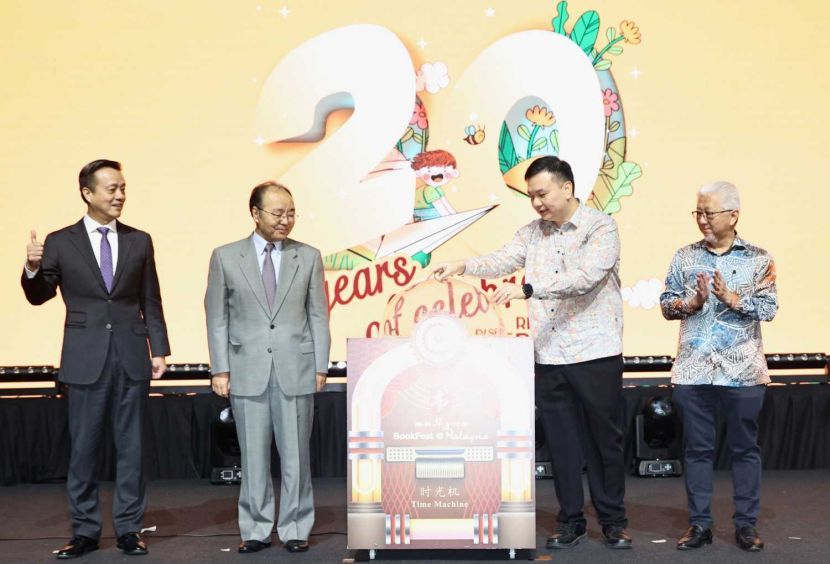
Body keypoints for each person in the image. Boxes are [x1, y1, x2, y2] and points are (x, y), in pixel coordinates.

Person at [431, 155, 631, 550]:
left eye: (542, 194)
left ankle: (612, 521)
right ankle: (571, 519)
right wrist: (463, 265)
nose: (537, 203)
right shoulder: (531, 233)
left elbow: (587, 277)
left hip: (595, 351)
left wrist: (529, 288)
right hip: (549, 354)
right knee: (561, 442)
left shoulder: (600, 227)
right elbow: (502, 258)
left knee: (604, 441)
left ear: (566, 188)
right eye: (531, 196)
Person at [21, 159, 170, 559]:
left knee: (132, 449)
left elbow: (150, 300)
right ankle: (85, 532)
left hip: (131, 354)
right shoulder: (60, 241)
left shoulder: (140, 240)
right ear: (88, 193)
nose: (120, 195)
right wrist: (33, 267)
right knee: (83, 449)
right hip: (84, 359)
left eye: (123, 187)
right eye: (111, 189)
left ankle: (129, 529)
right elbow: (39, 295)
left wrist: (160, 349)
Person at [204, 181, 330, 554]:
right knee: (254, 457)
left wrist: (320, 365)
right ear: (255, 214)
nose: (285, 220)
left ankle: (295, 527)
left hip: (297, 367)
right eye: (277, 213)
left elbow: (318, 315)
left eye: (291, 213)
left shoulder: (308, 256)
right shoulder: (226, 257)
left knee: (296, 456)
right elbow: (217, 317)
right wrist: (219, 369)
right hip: (246, 368)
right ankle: (256, 528)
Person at [660, 181, 777, 552]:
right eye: (698, 212)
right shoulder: (683, 257)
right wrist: (691, 303)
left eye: (709, 213)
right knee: (697, 450)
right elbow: (665, 304)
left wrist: (732, 298)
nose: (702, 220)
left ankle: (746, 526)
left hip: (743, 372)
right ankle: (699, 526)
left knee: (744, 449)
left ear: (733, 215)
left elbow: (770, 309)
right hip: (693, 371)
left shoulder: (759, 258)